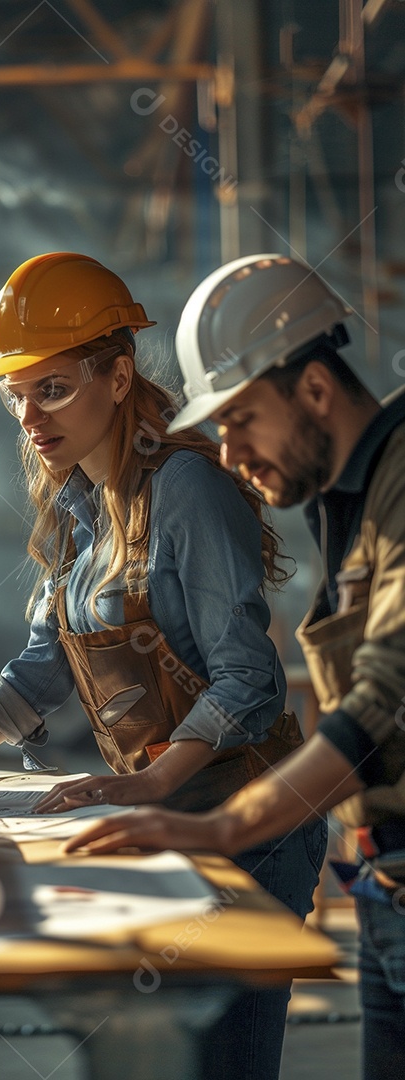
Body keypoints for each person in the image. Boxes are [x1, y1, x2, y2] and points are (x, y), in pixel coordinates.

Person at [0, 252, 326, 1080]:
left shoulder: (187, 489)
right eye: (17, 395)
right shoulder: (80, 507)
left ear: (118, 377)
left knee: (223, 1065)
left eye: (54, 388)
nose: (31, 416)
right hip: (163, 824)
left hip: (248, 827)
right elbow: (39, 673)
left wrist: (149, 783)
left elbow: (248, 682)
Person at [64, 252, 404, 1079]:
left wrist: (222, 826)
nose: (228, 449)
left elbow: (385, 696)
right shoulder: (345, 494)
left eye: (242, 418)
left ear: (315, 390)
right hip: (385, 886)